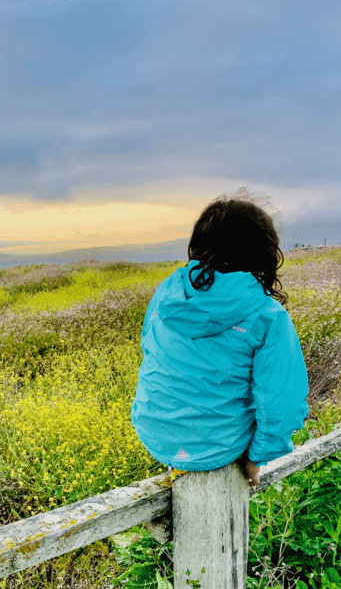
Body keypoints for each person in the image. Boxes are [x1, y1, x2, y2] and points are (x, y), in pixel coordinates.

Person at [130, 193, 309, 488]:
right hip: (219, 447)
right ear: (262, 249)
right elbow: (281, 399)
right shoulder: (267, 315)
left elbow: (151, 349)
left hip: (155, 431)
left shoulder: (168, 292)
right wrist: (257, 457)